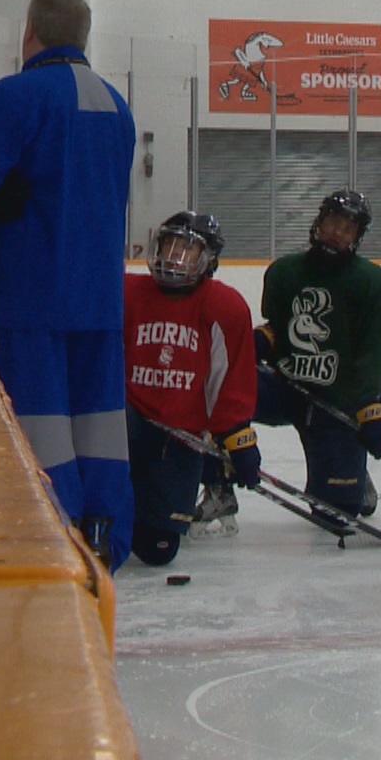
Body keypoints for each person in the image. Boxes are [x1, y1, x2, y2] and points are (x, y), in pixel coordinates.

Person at [0, 0, 138, 569]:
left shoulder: (11, 99)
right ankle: (105, 541)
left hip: (28, 299)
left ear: (30, 32)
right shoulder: (118, 106)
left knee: (39, 432)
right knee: (98, 430)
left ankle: (55, 547)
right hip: (98, 301)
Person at [122, 213, 259, 563]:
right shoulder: (127, 292)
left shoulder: (224, 306)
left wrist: (236, 436)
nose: (175, 258)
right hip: (128, 424)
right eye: (170, 247)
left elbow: (228, 379)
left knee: (157, 550)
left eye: (188, 251)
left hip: (179, 438)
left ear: (208, 260)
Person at [254, 190, 381, 523]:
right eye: (333, 222)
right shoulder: (284, 272)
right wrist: (259, 342)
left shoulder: (371, 282)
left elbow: (371, 351)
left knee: (333, 514)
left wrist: (370, 404)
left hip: (334, 402)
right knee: (214, 387)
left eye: (348, 228)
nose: (337, 232)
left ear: (357, 237)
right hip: (286, 388)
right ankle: (218, 482)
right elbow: (279, 328)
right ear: (319, 223)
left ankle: (354, 477)